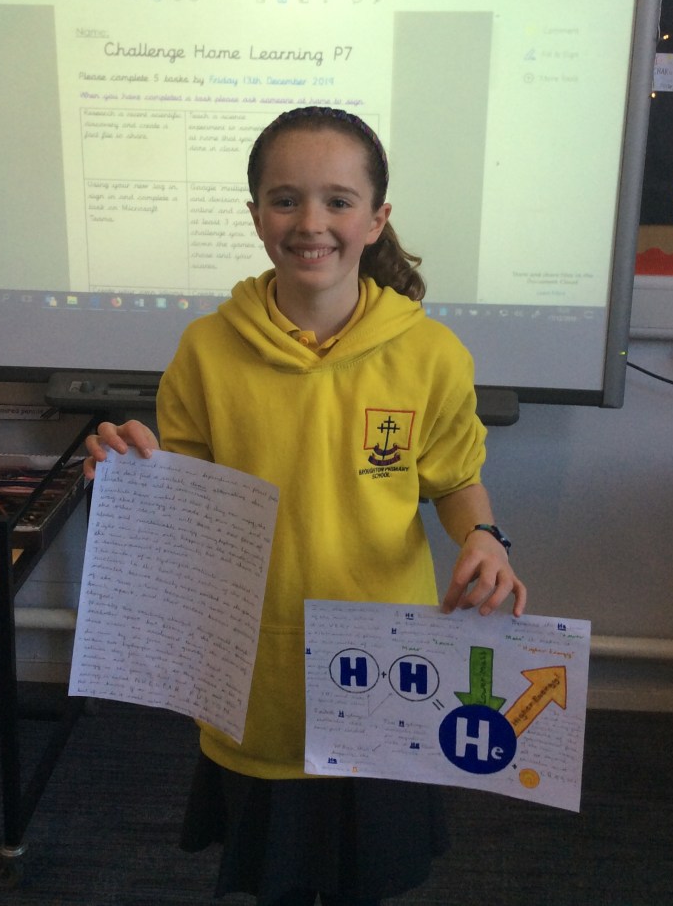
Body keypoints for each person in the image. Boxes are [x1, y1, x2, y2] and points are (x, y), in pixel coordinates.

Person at [84, 106, 526, 906]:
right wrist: (129, 475)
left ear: (376, 218)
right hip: (258, 674)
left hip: (384, 666)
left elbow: (456, 481)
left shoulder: (430, 354)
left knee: (366, 878)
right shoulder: (206, 350)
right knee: (277, 880)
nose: (311, 222)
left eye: (338, 200)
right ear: (256, 215)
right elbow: (185, 506)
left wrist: (486, 537)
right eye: (285, 199)